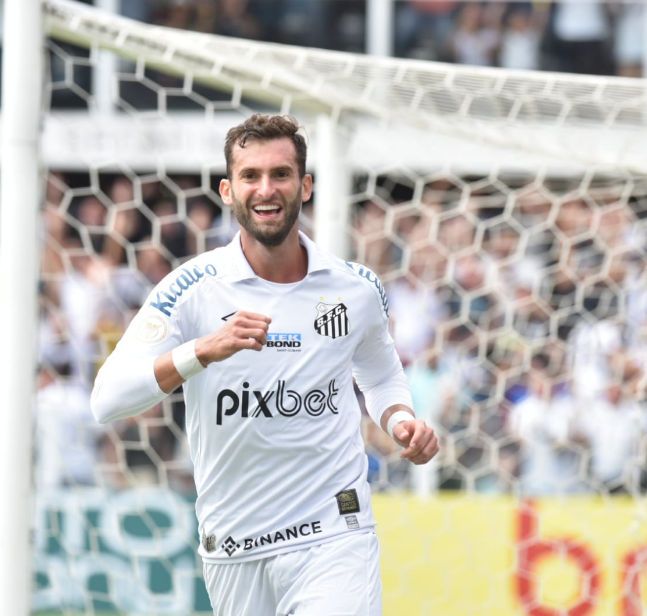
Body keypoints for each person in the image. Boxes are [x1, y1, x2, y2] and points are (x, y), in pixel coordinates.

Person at [90, 114, 439, 615]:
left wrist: (400, 419)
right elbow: (107, 399)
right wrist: (201, 351)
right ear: (228, 191)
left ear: (306, 186)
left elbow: (380, 374)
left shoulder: (356, 288)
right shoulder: (190, 289)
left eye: (281, 174)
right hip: (234, 545)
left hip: (334, 533)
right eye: (250, 176)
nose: (266, 189)